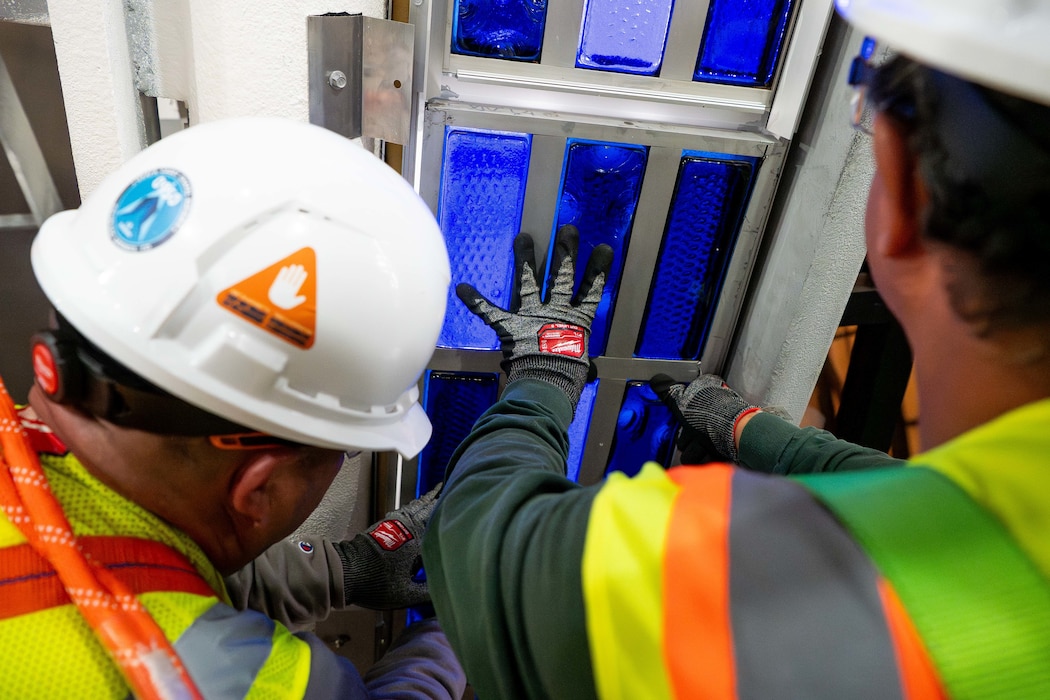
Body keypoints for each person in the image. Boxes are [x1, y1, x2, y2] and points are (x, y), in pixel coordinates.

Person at [421, 0, 1050, 697]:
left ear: (901, 191)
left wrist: (542, 373)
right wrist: (750, 429)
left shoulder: (764, 594)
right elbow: (910, 490)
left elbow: (489, 549)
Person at [0, 116, 465, 699]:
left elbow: (123, 568)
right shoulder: (237, 683)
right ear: (258, 485)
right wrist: (470, 626)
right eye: (344, 449)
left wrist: (340, 568)